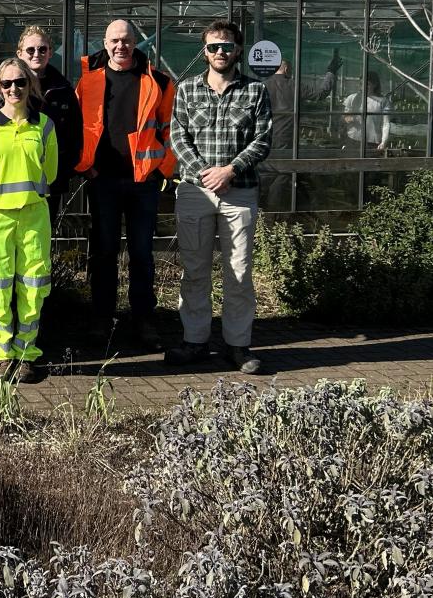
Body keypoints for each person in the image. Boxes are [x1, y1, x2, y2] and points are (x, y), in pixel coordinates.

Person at [166, 20, 273, 375]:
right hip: (196, 191)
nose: (220, 52)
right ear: (204, 51)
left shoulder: (255, 91)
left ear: (237, 50)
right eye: (213, 47)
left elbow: (263, 140)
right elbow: (178, 138)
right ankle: (195, 340)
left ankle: (238, 345)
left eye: (226, 46)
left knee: (239, 271)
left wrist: (230, 170)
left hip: (239, 191)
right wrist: (204, 173)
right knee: (194, 270)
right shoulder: (187, 90)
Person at [74, 19, 176, 352]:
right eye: (115, 40)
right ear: (105, 43)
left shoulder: (158, 81)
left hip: (142, 182)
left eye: (128, 40)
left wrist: (162, 170)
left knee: (142, 255)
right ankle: (102, 318)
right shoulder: (89, 82)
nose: (121, 46)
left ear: (136, 43)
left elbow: (172, 129)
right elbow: (78, 127)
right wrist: (84, 167)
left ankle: (143, 320)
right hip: (103, 180)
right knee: (103, 253)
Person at [0, 58, 59, 384]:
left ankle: (26, 354)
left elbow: (51, 171)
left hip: (34, 214)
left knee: (33, 285)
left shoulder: (45, 126)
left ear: (29, 85)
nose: (14, 89)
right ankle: (2, 354)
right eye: (7, 84)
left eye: (20, 82)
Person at [16, 27, 82, 228]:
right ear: (19, 53)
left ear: (50, 53)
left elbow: (75, 134)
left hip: (50, 181)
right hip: (14, 178)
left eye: (42, 50)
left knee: (42, 234)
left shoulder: (63, 89)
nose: (37, 54)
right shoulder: (9, 86)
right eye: (30, 50)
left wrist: (63, 171)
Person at [260, 50, 342, 210]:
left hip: (265, 138)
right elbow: (320, 94)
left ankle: (262, 213)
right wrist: (331, 72)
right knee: (283, 174)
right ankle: (274, 212)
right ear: (286, 69)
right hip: (287, 138)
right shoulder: (293, 85)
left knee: (266, 173)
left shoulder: (263, 86)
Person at [343, 71, 390, 154]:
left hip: (373, 142)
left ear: (375, 85)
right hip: (353, 139)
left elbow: (386, 123)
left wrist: (383, 142)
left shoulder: (383, 101)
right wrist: (353, 118)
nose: (363, 86)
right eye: (361, 84)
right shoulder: (352, 98)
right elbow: (345, 118)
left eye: (367, 84)